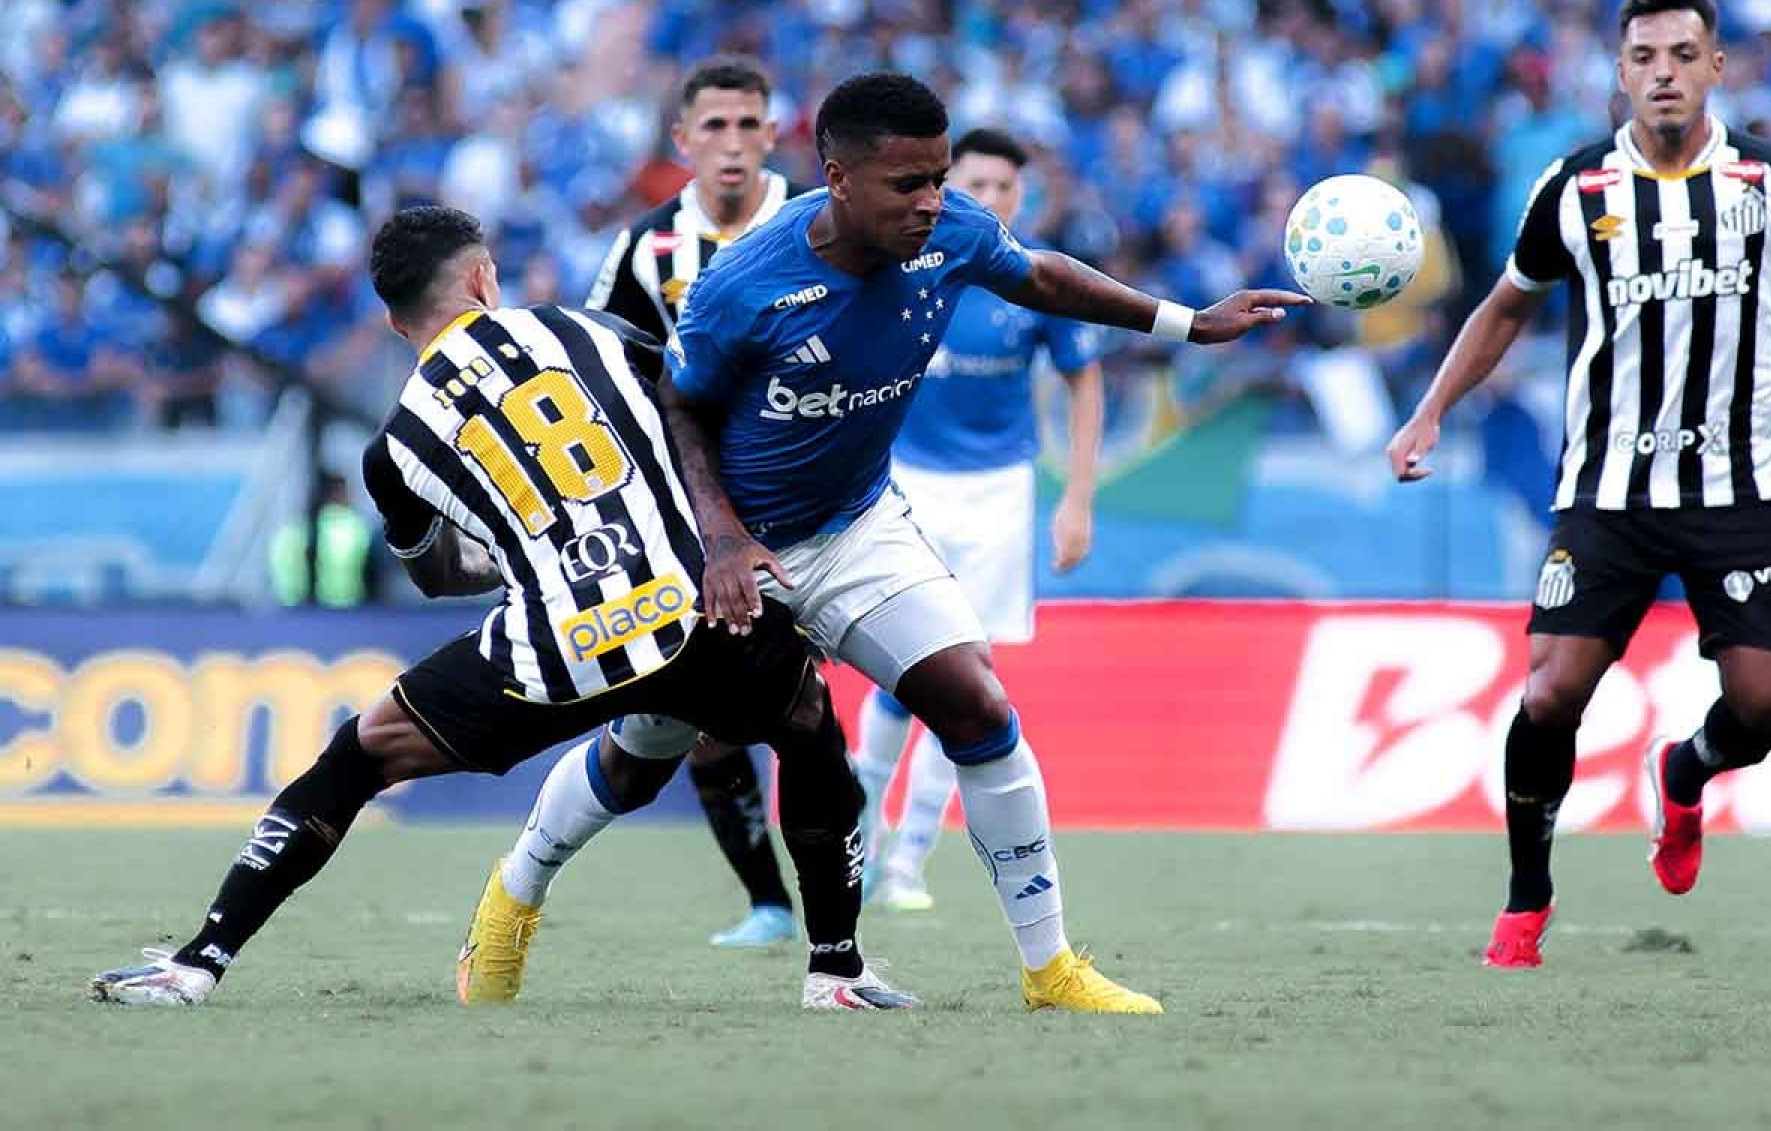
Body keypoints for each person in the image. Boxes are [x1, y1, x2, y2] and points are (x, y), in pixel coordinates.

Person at [485, 71, 1305, 1015]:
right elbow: (683, 405)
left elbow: (1038, 273)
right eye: (907, 183)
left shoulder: (951, 231)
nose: (931, 202)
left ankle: (1049, 968)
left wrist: (1187, 322)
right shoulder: (744, 284)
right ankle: (515, 891)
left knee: (978, 705)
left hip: (857, 527)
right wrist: (722, 541)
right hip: (731, 549)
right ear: (837, 179)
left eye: (939, 178)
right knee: (645, 752)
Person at [90, 205, 912, 1011]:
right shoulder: (584, 330)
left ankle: (199, 961)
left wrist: (511, 555)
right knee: (808, 726)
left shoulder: (395, 446)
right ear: (484, 279)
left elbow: (437, 575)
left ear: (393, 321)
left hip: (556, 646)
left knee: (355, 757)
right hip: (694, 609)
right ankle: (835, 970)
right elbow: (700, 415)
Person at [1385, 0, 1771, 969]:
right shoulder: (1576, 190)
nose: (1664, 74)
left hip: (1739, 488)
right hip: (1607, 489)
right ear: (1620, 73)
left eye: (1683, 56)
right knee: (1549, 693)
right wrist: (1431, 409)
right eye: (1645, 58)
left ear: (1715, 67)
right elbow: (1506, 308)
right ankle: (1527, 898)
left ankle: (1685, 772)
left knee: (1770, 706)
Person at [849, 127, 1104, 914]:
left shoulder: (1034, 276)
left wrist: (1078, 498)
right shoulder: (903, 264)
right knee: (903, 672)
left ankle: (908, 859)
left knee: (965, 678)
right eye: (976, 185)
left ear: (1021, 196)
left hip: (999, 495)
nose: (989, 199)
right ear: (945, 188)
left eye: (1003, 187)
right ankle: (859, 836)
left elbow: (1085, 380)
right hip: (907, 485)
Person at [584, 54, 804, 949]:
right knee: (709, 711)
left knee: (822, 699)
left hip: (816, 498)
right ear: (683, 139)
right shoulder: (648, 247)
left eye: (749, 124)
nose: (733, 143)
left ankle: (872, 867)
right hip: (697, 509)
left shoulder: (815, 221)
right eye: (715, 126)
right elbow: (605, 359)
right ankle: (770, 902)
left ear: (773, 133)